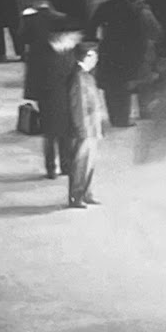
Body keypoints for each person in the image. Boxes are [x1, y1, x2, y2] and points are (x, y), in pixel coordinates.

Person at [18, 0, 76, 179]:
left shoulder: (30, 20)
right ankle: (67, 165)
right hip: (62, 77)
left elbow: (22, 41)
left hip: (41, 79)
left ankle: (51, 167)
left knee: (48, 126)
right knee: (65, 125)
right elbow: (69, 48)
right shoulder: (61, 18)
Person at [89, 0, 146, 128]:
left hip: (108, 49)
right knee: (124, 85)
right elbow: (139, 34)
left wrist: (96, 42)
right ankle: (123, 118)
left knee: (110, 85)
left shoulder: (105, 6)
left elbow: (92, 26)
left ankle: (113, 117)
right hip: (126, 52)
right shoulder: (132, 9)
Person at [67, 43, 107, 208]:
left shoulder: (85, 76)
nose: (97, 60)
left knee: (89, 162)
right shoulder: (79, 77)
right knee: (81, 163)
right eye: (95, 56)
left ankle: (86, 192)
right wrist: (82, 128)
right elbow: (79, 106)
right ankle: (77, 195)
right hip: (86, 127)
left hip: (92, 126)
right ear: (88, 56)